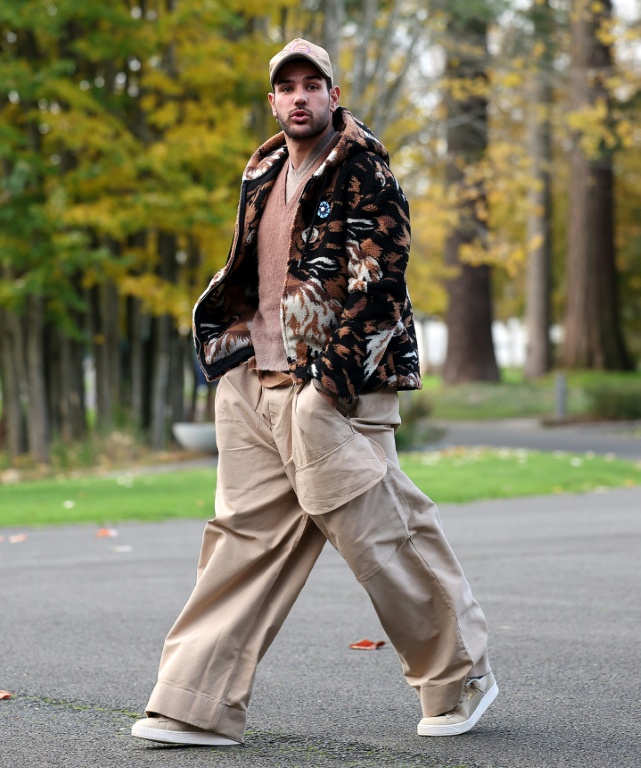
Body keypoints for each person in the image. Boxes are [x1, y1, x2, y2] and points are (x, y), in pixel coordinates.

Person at [132, 38, 498, 748]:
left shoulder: (363, 168)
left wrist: (323, 387)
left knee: (380, 538)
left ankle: (459, 677)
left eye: (312, 85)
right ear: (272, 100)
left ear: (333, 94)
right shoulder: (264, 166)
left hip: (333, 390)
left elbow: (381, 287)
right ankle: (192, 701)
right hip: (254, 381)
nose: (299, 97)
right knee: (240, 540)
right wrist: (232, 353)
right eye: (286, 87)